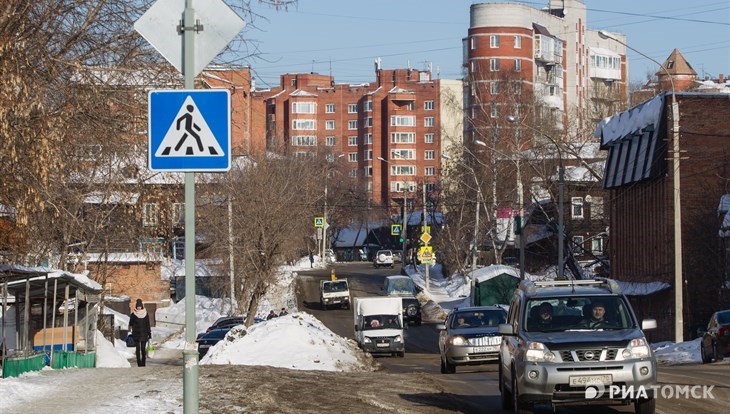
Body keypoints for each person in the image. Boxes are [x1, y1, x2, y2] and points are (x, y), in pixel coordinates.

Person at [128, 298, 152, 367]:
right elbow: (130, 323)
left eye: (140, 306)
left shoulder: (145, 314)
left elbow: (148, 324)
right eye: (138, 306)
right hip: (136, 334)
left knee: (143, 349)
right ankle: (139, 363)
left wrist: (149, 333)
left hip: (144, 334)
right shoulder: (133, 314)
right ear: (136, 306)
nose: (139, 308)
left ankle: (143, 362)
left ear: (142, 306)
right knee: (138, 349)